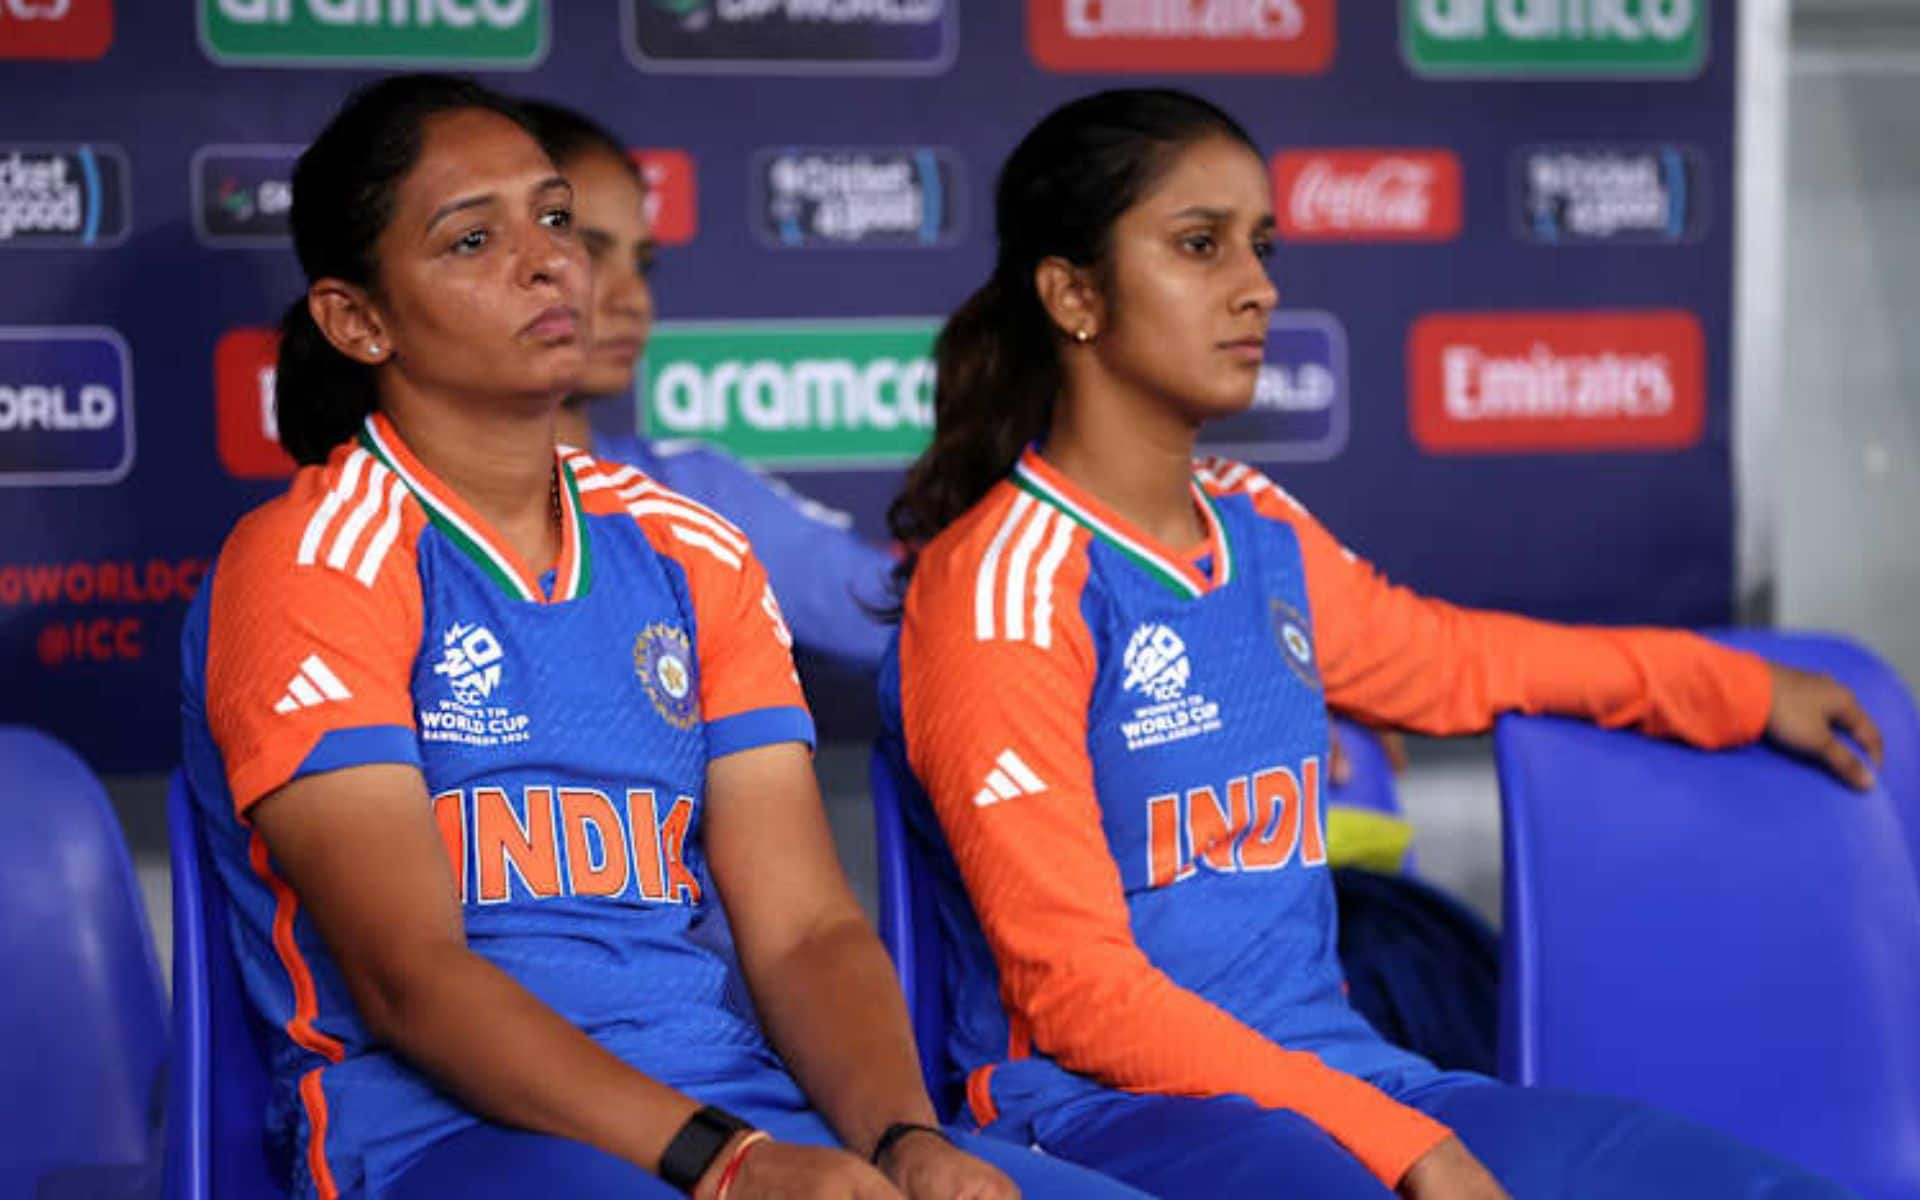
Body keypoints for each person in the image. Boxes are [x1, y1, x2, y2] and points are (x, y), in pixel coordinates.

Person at [881, 87, 1880, 1200]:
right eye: (1198, 246)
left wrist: (1735, 688)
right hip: (1100, 1114)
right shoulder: (999, 586)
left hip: (1356, 1086)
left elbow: (1460, 662)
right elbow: (1076, 991)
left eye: (1260, 246)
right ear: (1073, 295)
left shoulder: (1259, 527)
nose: (1256, 286)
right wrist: (1398, 1144)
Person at [179, 74, 1142, 1200]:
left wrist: (902, 1143)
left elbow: (804, 931)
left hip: (732, 1111)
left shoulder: (694, 550)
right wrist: (726, 1165)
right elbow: (411, 979)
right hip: (443, 1146)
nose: (547, 261)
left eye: (552, 220)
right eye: (472, 239)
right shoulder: (311, 560)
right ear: (359, 320)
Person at [523, 100, 893, 674]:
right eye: (588, 254)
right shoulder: (362, 517)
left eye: (642, 264)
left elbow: (905, 615)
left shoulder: (688, 490)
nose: (633, 299)